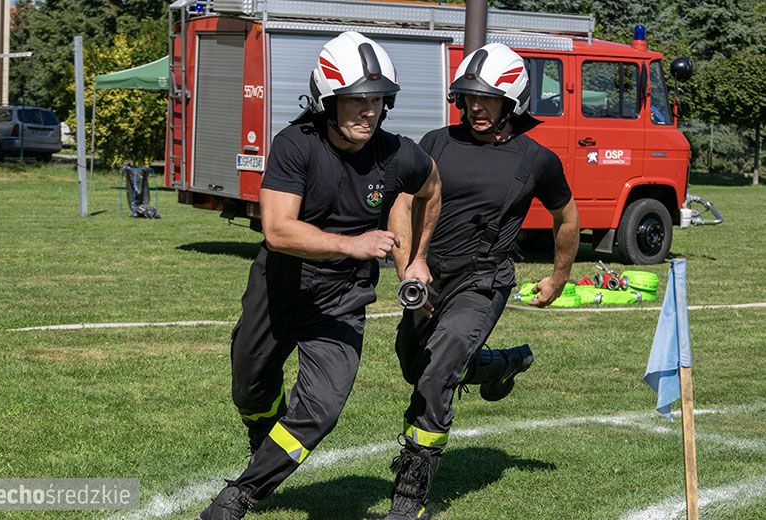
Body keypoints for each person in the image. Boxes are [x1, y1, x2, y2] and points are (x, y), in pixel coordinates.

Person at [197, 32, 441, 520]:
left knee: (321, 408)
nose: (368, 111)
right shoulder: (294, 145)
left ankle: (240, 495)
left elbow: (430, 189)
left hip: (342, 300)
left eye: (377, 100)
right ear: (328, 100)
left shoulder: (399, 154)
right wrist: (352, 244)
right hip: (280, 285)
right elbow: (278, 230)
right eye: (356, 100)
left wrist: (416, 258)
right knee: (250, 388)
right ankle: (262, 439)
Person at [386, 43, 579, 519]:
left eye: (488, 98)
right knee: (414, 365)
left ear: (511, 101)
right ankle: (497, 366)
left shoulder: (537, 160)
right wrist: (409, 264)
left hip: (483, 281)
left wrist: (558, 278)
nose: (476, 106)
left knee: (436, 374)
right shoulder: (434, 143)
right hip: (428, 275)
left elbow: (567, 218)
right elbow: (400, 203)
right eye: (469, 96)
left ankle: (410, 495)